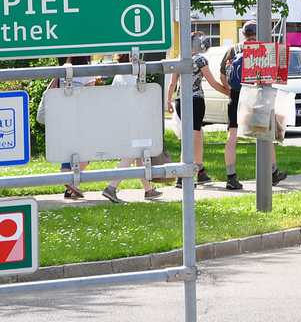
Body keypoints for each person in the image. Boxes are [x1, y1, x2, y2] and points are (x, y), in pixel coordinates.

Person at [219, 21, 287, 190]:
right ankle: (272, 172)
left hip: (236, 95)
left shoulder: (233, 50)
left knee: (233, 135)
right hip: (258, 94)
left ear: (243, 34)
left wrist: (232, 92)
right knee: (265, 133)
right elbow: (277, 75)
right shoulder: (264, 48)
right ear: (259, 32)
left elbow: (222, 76)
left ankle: (231, 176)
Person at [166, 32, 228, 187]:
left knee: (197, 134)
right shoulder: (201, 60)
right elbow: (213, 82)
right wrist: (230, 93)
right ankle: (183, 175)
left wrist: (168, 101)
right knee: (192, 137)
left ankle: (200, 171)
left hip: (180, 101)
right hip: (195, 100)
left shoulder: (180, 59)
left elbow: (172, 83)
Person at [101, 53, 162, 203]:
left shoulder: (118, 76)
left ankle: (148, 189)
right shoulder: (133, 75)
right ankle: (111, 187)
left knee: (139, 154)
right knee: (131, 154)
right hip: (135, 119)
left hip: (124, 119)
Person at [52, 56, 98, 199]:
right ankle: (72, 184)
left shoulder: (64, 69)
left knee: (67, 152)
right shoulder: (88, 72)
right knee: (88, 152)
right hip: (81, 117)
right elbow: (90, 97)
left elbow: (53, 89)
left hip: (63, 116)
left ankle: (70, 189)